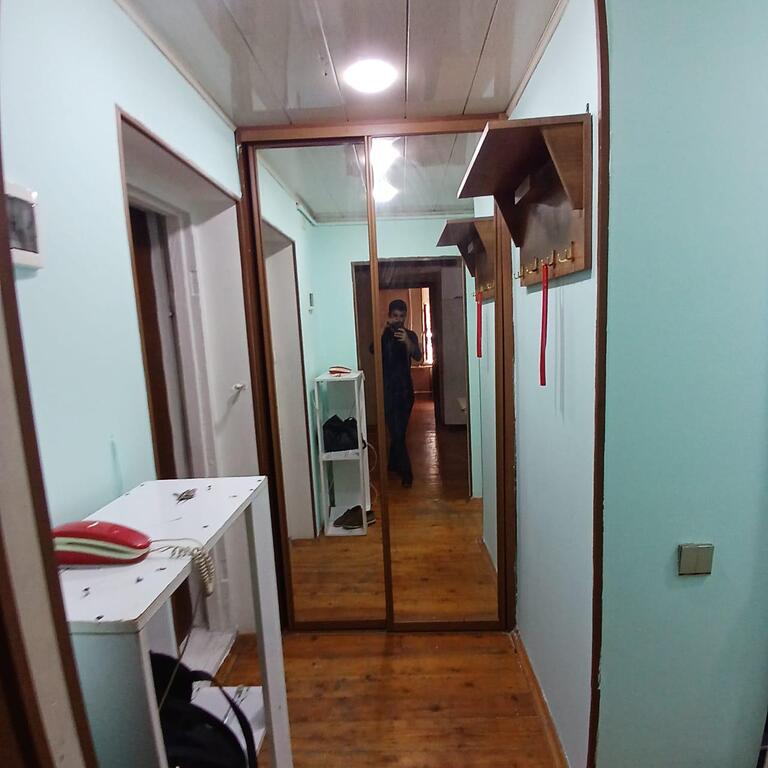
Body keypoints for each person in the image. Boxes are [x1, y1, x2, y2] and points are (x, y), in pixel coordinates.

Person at [378, 299, 421, 488]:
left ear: (405, 316)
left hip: (405, 392)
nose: (398, 320)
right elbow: (373, 350)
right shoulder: (384, 335)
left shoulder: (410, 335)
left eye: (402, 316)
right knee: (396, 433)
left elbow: (418, 357)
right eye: (395, 316)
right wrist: (383, 328)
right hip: (388, 391)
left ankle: (397, 466)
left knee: (399, 432)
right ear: (390, 316)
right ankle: (403, 470)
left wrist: (407, 342)